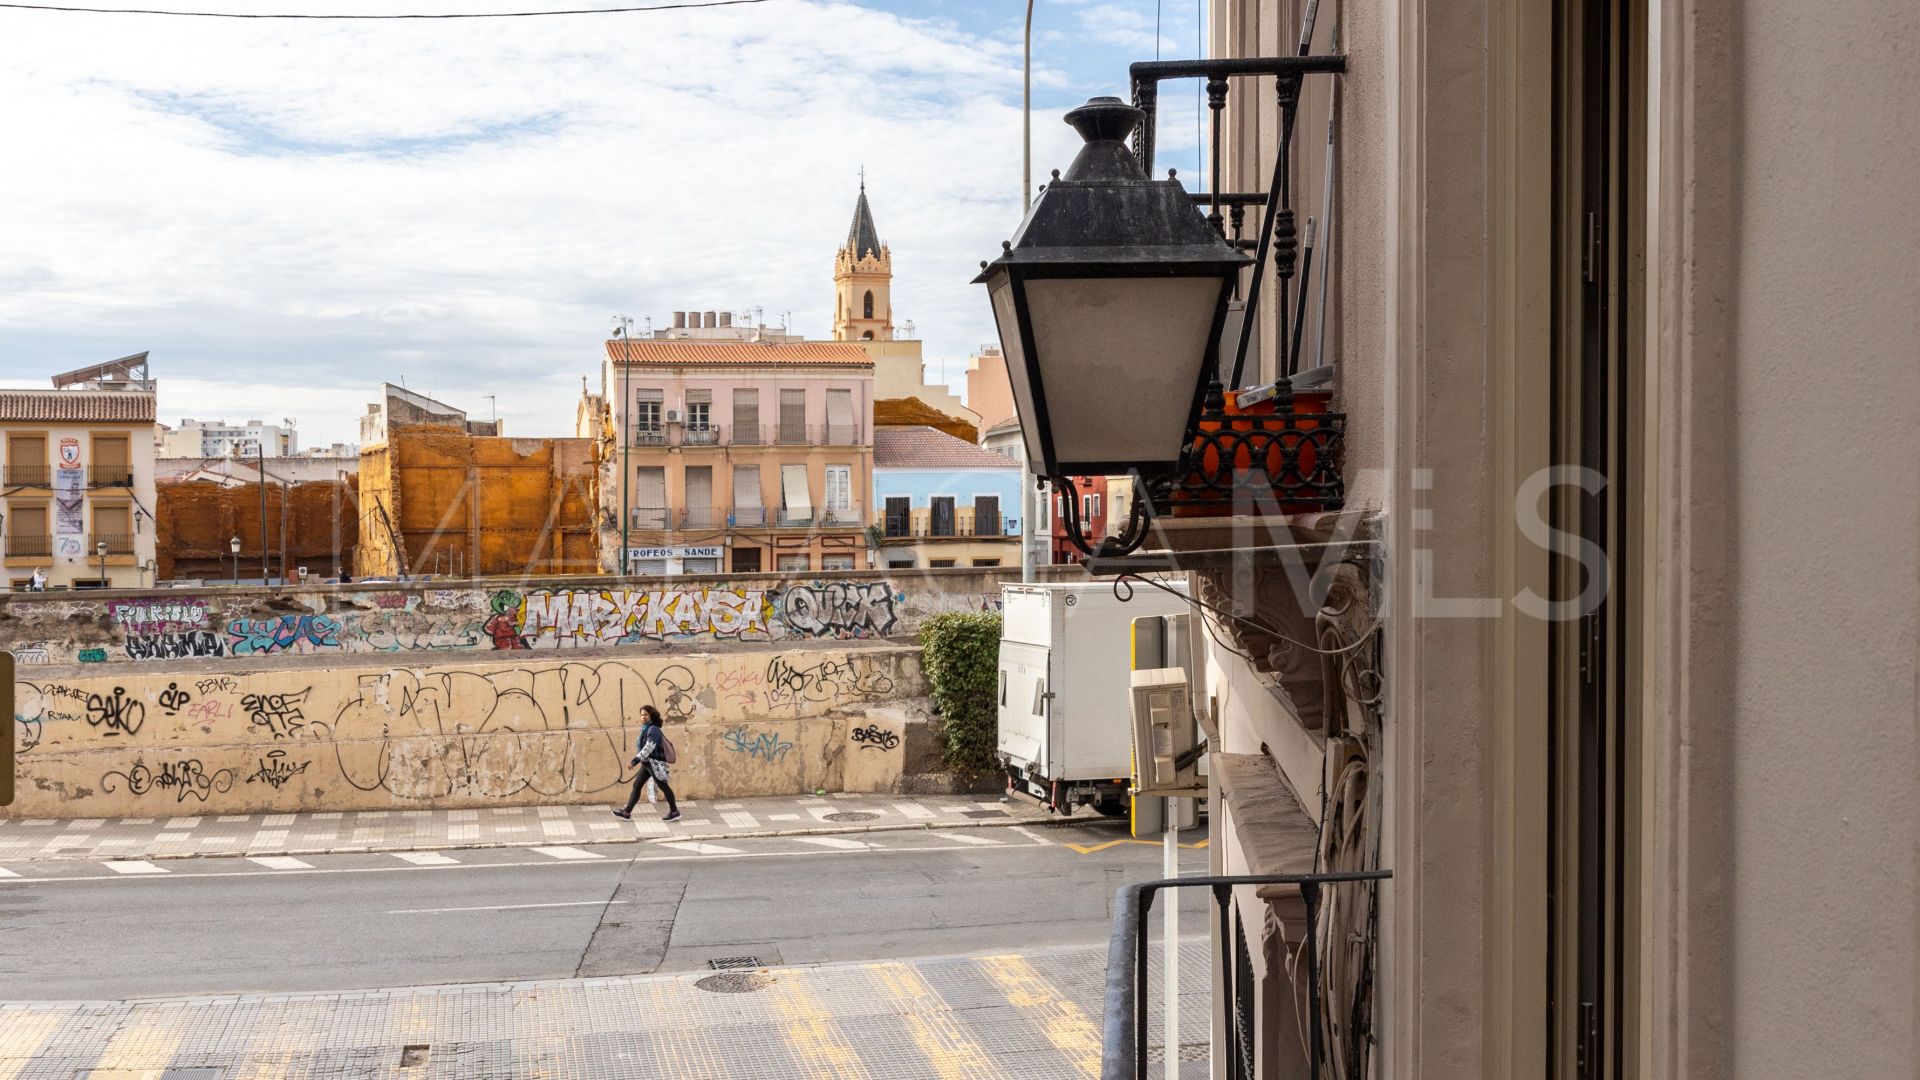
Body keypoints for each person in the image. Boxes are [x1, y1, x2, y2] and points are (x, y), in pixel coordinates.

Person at [615, 705, 679, 821]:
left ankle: (674, 812)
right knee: (637, 785)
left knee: (663, 786)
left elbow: (649, 747)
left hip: (654, 763)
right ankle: (627, 812)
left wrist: (634, 761)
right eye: (641, 715)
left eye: (645, 714)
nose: (643, 717)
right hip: (647, 763)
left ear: (651, 716)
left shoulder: (653, 729)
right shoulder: (645, 728)